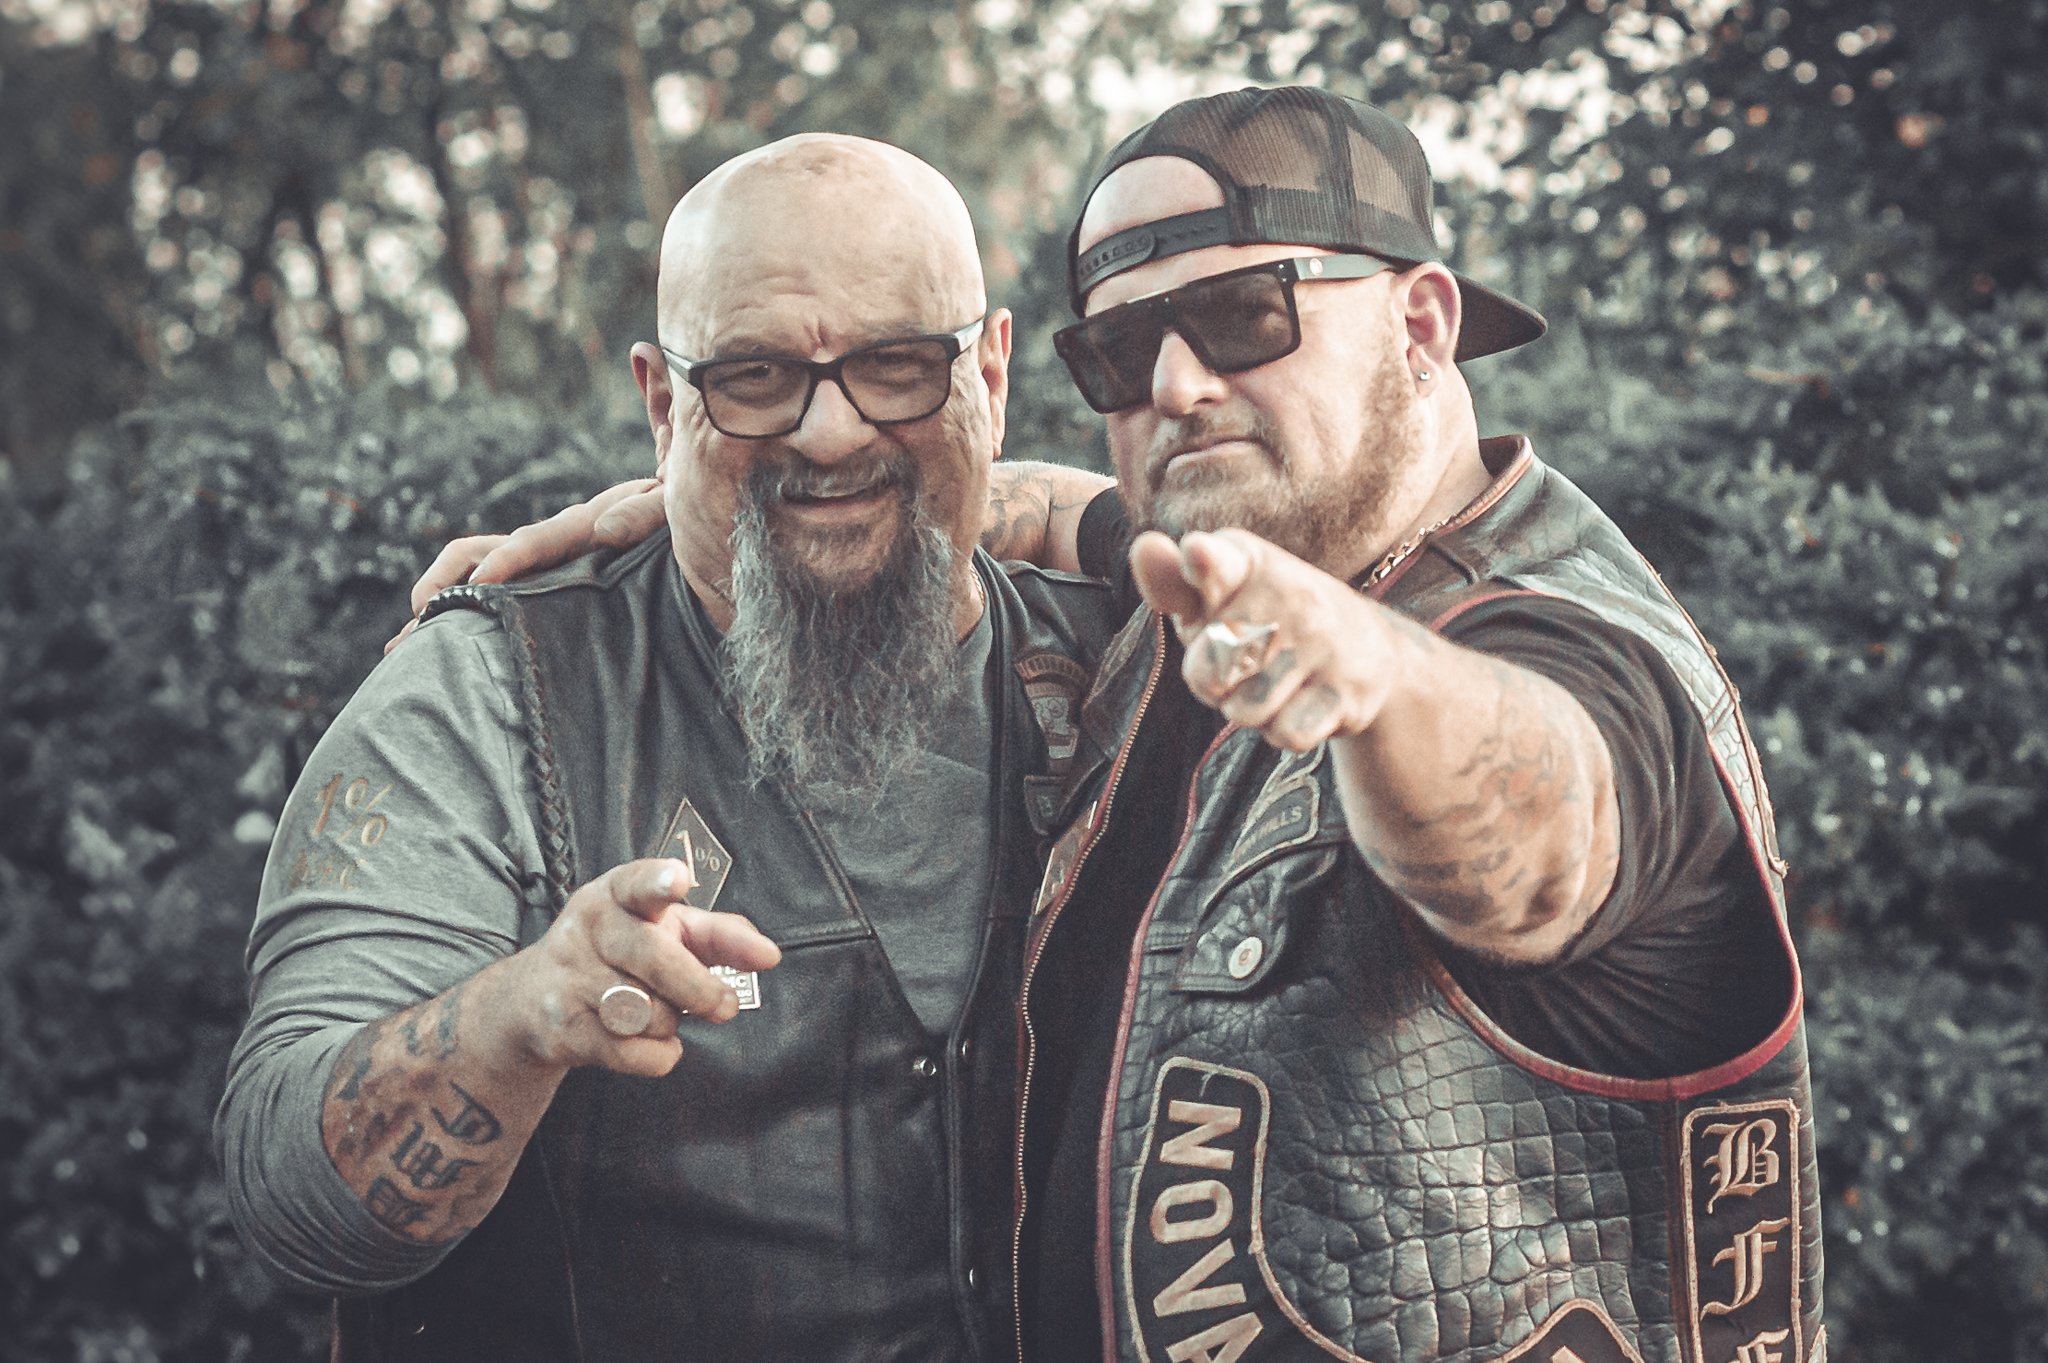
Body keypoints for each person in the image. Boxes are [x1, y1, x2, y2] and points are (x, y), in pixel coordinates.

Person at [408, 87, 1826, 1363]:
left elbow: (1545, 829)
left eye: (1246, 317)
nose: (1179, 384)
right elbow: (997, 496)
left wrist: (1381, 687)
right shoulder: (1217, 558)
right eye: (1127, 346)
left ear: (1422, 322)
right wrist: (700, 487)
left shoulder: (1551, 638)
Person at [216, 133, 1123, 1362]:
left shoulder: (1133, 659)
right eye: (752, 376)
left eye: (899, 365)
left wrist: (1071, 511)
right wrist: (521, 1014)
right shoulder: (489, 694)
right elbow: (292, 1203)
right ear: (661, 401)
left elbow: (1403, 571)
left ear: (991, 370)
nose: (828, 429)